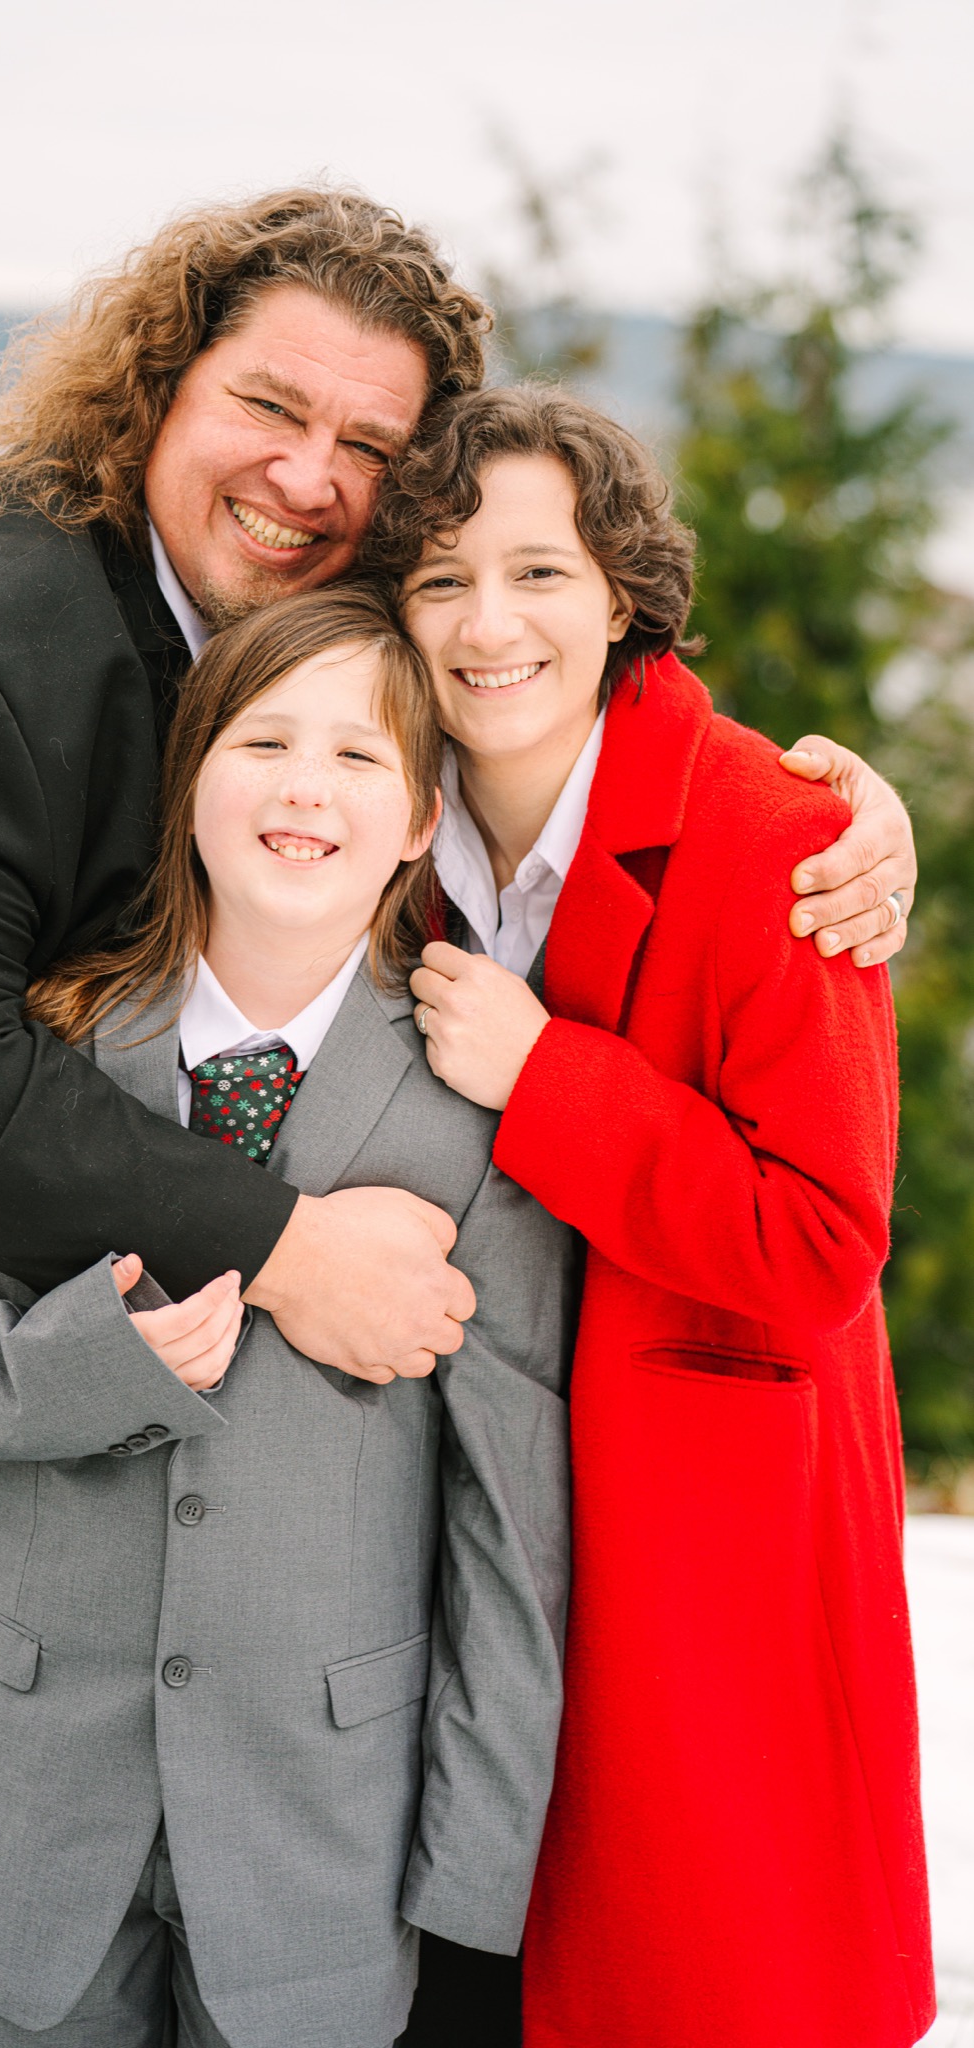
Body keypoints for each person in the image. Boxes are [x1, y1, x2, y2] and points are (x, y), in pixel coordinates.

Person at [0, 185, 916, 2048]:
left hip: (149, 1463)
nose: (309, 475)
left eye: (369, 445)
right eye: (266, 406)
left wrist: (834, 807)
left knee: (38, 1901)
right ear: (157, 384)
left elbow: (542, 660)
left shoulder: (329, 619)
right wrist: (293, 1251)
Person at [0, 585, 574, 2048]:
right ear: (191, 777)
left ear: (423, 819)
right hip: (25, 1804)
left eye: (362, 758)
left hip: (322, 1828)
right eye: (263, 742)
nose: (306, 787)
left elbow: (511, 1515)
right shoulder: (40, 1044)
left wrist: (478, 1865)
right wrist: (75, 1367)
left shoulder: (479, 1101)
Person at [369, 384, 934, 2048]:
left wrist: (546, 1080)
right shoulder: (383, 812)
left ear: (620, 593)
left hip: (695, 1517)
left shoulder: (781, 842)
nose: (489, 626)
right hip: (445, 1491)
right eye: (439, 578)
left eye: (539, 573)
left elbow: (817, 1245)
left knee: (686, 1974)